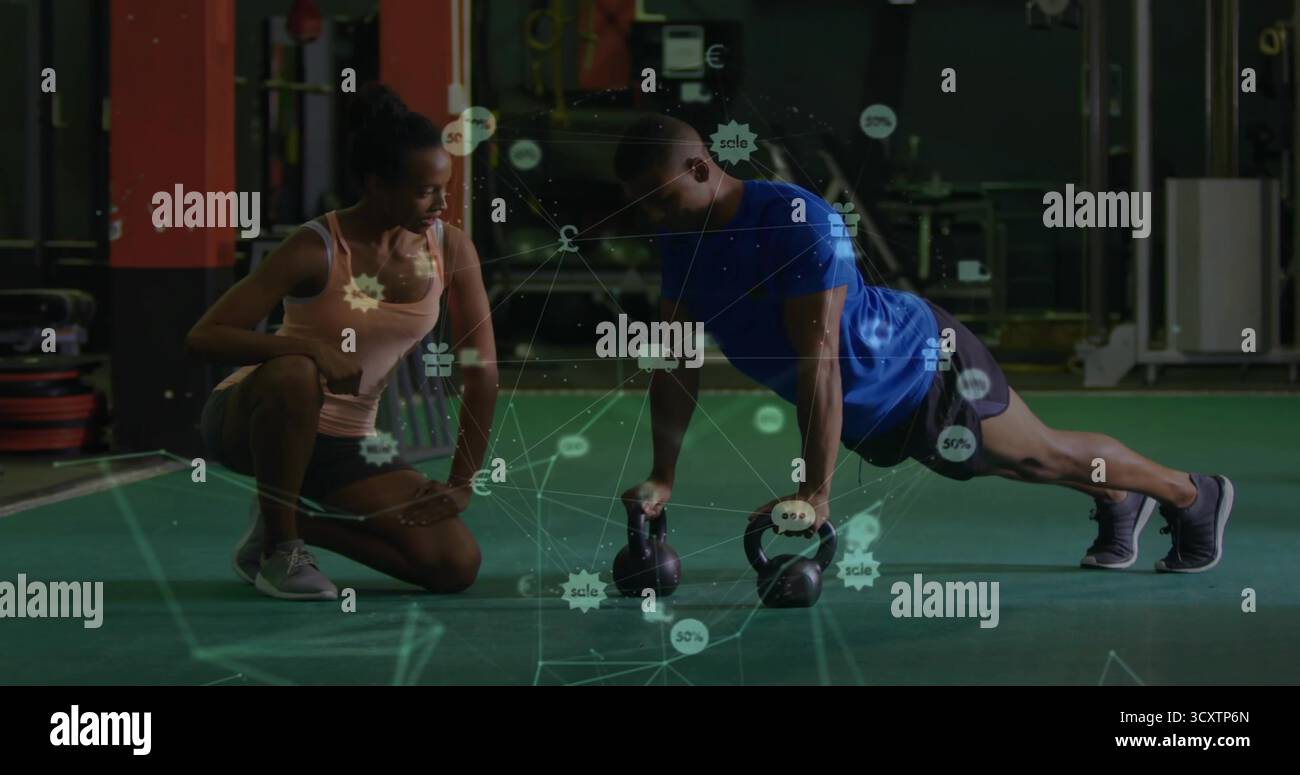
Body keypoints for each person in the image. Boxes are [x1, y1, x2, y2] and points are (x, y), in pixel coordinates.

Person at [614, 115, 1233, 573]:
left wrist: (815, 493)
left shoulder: (793, 222)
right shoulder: (681, 243)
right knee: (999, 462)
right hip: (870, 404)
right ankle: (1117, 497)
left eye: (663, 200)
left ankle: (1192, 494)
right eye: (646, 210)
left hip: (920, 363)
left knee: (1038, 456)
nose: (656, 220)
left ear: (700, 168)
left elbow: (820, 363)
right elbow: (674, 360)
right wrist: (662, 474)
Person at [187, 84, 497, 599]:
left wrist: (461, 482)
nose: (442, 204)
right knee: (296, 372)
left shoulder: (450, 248)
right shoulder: (315, 247)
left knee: (454, 565)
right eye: (425, 191)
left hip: (346, 444)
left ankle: (281, 524)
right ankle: (281, 553)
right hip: (253, 419)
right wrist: (309, 348)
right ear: (376, 185)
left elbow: (480, 369)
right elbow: (205, 336)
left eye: (445, 188)